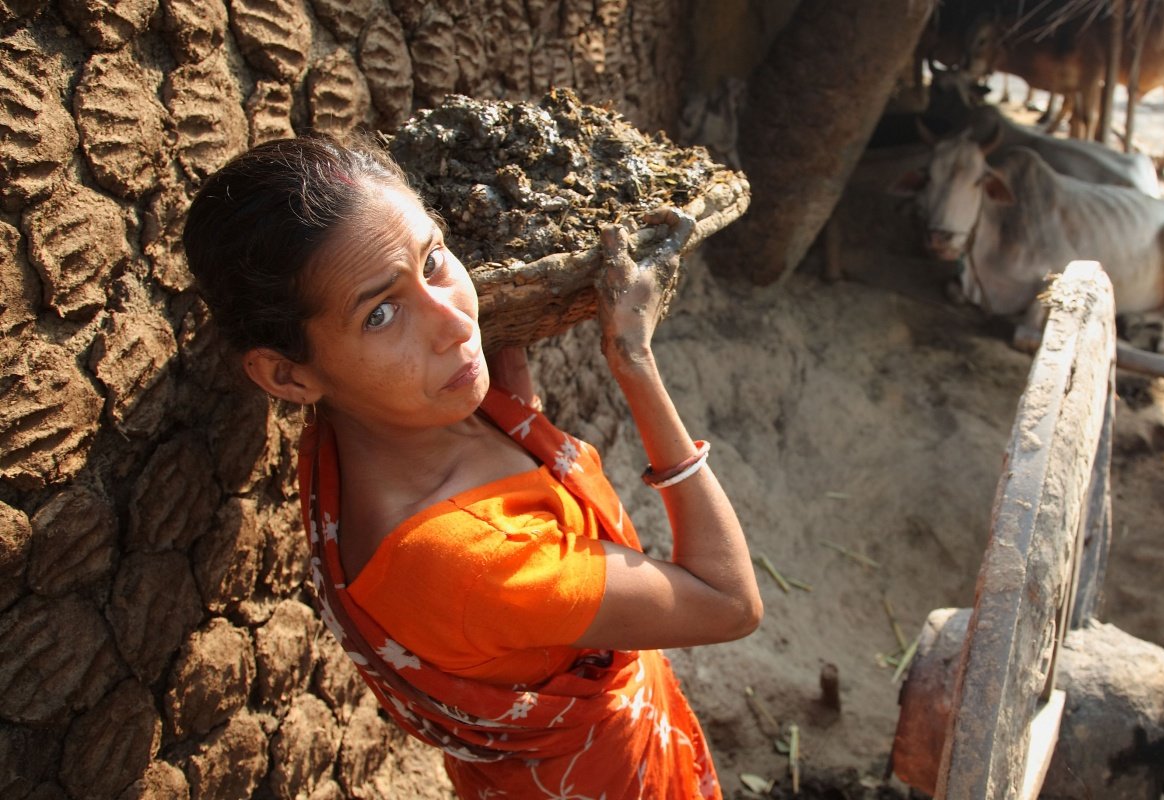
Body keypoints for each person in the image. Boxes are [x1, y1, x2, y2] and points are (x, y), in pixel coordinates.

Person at [183, 136, 761, 799]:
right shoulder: (469, 563)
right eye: (381, 313)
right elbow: (728, 604)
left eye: (433, 262)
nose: (455, 324)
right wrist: (633, 360)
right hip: (607, 777)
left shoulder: (385, 420)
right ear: (287, 374)